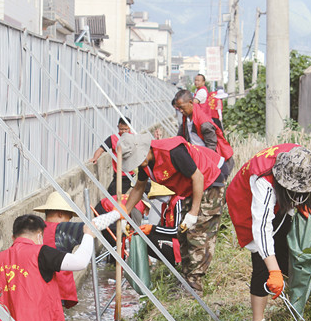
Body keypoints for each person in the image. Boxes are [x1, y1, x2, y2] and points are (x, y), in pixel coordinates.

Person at [226, 145, 311, 321]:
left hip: (279, 201)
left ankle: (295, 312)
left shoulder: (302, 159)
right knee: (263, 261)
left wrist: (299, 204)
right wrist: (274, 270)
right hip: (245, 201)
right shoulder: (264, 180)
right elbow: (261, 229)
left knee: (286, 247)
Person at [117, 133, 227, 294]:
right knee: (183, 234)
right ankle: (186, 278)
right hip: (188, 189)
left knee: (198, 232)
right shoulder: (145, 164)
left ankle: (195, 286)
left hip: (209, 183)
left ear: (143, 149)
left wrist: (194, 213)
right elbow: (139, 188)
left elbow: (198, 177)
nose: (138, 163)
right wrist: (124, 214)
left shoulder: (173, 152)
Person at [173, 89, 234, 162]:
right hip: (198, 156)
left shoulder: (203, 122)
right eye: (178, 108)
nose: (180, 110)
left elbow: (211, 146)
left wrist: (205, 163)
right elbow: (180, 138)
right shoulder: (186, 119)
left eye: (182, 107)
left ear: (190, 102)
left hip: (210, 160)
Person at [89, 116, 135, 193]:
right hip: (118, 174)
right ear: (118, 127)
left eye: (126, 129)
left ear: (130, 128)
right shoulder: (113, 138)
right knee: (112, 193)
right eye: (121, 129)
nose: (123, 131)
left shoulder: (135, 138)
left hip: (132, 174)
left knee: (113, 195)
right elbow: (101, 149)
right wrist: (95, 158)